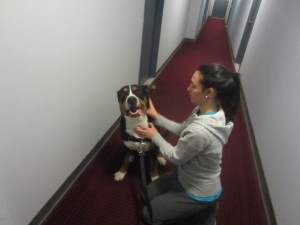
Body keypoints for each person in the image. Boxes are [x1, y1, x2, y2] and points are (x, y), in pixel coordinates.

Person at [135, 63, 241, 225]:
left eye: (193, 86)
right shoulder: (207, 109)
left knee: (148, 215)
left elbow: (175, 156)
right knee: (146, 195)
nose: (187, 89)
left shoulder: (201, 130)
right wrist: (156, 116)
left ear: (209, 92)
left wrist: (154, 135)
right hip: (185, 173)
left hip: (197, 189)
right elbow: (182, 128)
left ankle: (205, 210)